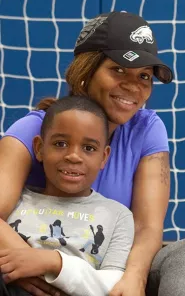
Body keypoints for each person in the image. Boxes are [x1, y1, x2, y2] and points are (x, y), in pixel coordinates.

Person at [0, 11, 185, 296]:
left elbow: (147, 226)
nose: (134, 86)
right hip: (32, 261)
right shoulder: (33, 129)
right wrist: (43, 267)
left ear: (104, 155)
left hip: (111, 272)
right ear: (85, 71)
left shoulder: (147, 129)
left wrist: (134, 279)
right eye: (118, 70)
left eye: (144, 76)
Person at [0, 95, 134, 296]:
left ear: (104, 157)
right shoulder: (15, 203)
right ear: (39, 148)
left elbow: (115, 285)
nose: (73, 156)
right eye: (60, 144)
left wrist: (54, 262)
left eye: (89, 148)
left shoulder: (118, 216)